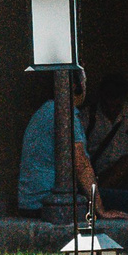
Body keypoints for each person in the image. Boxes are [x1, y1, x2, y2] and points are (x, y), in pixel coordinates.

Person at [15, 72, 93, 216]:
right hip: (49, 203)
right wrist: (100, 209)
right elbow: (81, 164)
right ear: (76, 87)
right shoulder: (63, 113)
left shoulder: (45, 110)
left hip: (30, 202)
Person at [84, 71, 128, 217]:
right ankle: (95, 200)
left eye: (116, 103)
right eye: (107, 103)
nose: (111, 109)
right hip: (100, 181)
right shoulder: (88, 116)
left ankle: (93, 201)